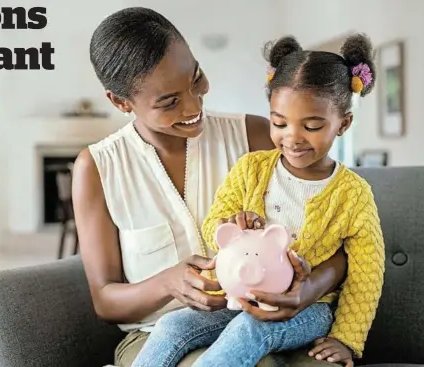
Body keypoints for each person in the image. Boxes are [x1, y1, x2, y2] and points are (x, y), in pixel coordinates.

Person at [73, 7, 348, 367]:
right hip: (157, 338)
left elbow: (343, 236)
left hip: (269, 321)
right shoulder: (98, 168)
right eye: (169, 102)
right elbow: (105, 301)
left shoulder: (256, 136)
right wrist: (167, 284)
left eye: (196, 78)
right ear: (121, 102)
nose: (193, 104)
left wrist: (306, 291)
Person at [131, 33, 386, 367]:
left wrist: (346, 340)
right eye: (279, 123)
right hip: (240, 297)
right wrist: (231, 225)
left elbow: (368, 273)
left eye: (311, 126)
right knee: (173, 324)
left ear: (343, 124)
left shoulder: (353, 194)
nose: (292, 138)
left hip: (311, 308)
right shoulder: (252, 168)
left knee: (250, 330)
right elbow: (214, 225)